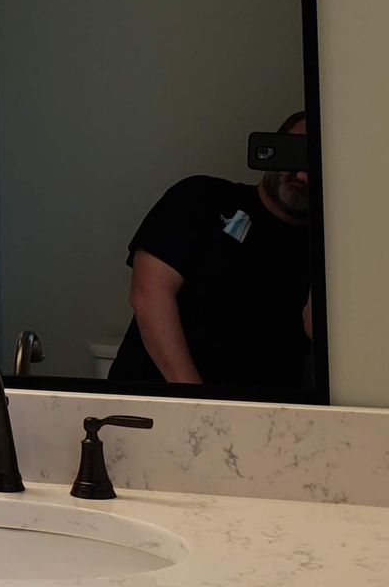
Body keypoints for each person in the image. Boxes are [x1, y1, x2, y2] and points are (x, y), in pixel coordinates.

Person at [107, 112, 312, 390]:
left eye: (315, 160)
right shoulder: (202, 197)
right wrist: (196, 401)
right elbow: (149, 294)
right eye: (295, 152)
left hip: (263, 420)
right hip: (155, 406)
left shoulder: (335, 251)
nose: (301, 173)